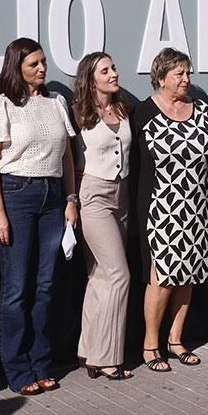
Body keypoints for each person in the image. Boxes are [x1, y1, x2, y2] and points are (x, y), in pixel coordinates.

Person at [0, 38, 79, 396]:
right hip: (16, 195)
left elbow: (67, 157)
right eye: (34, 64)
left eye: (43, 62)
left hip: (53, 197)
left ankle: (41, 362)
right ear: (16, 67)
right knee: (16, 288)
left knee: (46, 286)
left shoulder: (57, 102)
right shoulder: (1, 105)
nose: (42, 69)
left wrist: (71, 199)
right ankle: (17, 368)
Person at [133, 48, 208, 372]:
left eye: (188, 73)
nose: (187, 79)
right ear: (161, 78)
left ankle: (175, 340)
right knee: (162, 277)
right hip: (161, 206)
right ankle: (150, 344)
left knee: (189, 274)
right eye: (179, 74)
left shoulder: (201, 111)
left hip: (197, 205)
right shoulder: (143, 113)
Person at [71, 52, 134, 381]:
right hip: (93, 194)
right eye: (105, 70)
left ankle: (88, 350)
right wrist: (71, 200)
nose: (114, 73)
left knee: (98, 276)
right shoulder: (78, 112)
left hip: (121, 195)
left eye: (113, 67)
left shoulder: (122, 108)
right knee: (118, 274)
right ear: (90, 78)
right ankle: (109, 357)